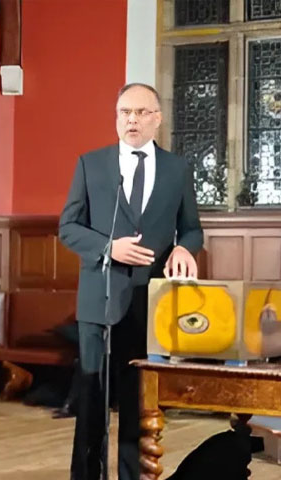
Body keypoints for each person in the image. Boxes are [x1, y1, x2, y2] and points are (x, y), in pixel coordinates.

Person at [59, 82, 204, 480]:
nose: (132, 120)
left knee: (137, 403)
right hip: (99, 299)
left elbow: (192, 229)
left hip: (148, 303)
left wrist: (184, 249)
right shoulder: (92, 164)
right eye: (125, 113)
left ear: (157, 119)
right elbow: (68, 227)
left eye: (141, 113)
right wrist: (109, 248)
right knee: (91, 402)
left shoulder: (177, 169)